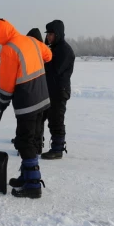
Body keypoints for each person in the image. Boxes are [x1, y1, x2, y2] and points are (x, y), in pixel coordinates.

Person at [0, 19, 52, 198]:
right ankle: (26, 176)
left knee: (25, 141)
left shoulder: (9, 49)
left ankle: (33, 185)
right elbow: (48, 56)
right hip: (43, 98)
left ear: (0, 34)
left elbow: (6, 81)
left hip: (28, 102)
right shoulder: (31, 41)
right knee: (33, 138)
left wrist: (3, 99)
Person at [41, 19, 75, 160]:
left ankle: (57, 149)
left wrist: (43, 60)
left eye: (51, 34)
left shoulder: (64, 50)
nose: (48, 36)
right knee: (40, 117)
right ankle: (35, 143)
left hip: (59, 91)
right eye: (47, 34)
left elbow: (55, 70)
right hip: (50, 89)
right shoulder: (53, 48)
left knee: (56, 119)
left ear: (58, 34)